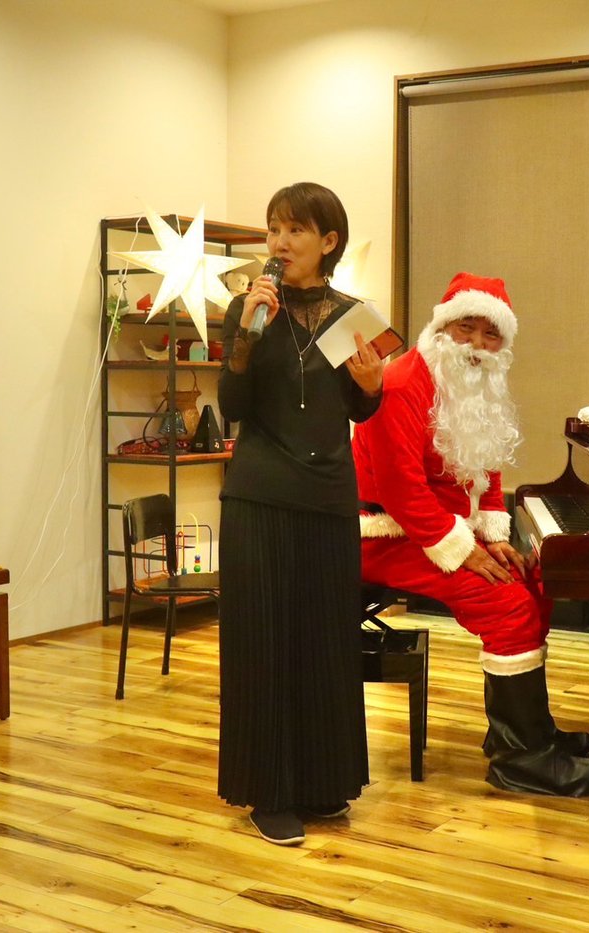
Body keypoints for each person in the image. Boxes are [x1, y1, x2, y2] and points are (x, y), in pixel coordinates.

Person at [352, 272, 589, 797]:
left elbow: (488, 468)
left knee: (532, 583)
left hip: (437, 531)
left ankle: (527, 731)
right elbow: (401, 490)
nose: (476, 344)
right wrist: (463, 550)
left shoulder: (477, 387)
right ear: (442, 328)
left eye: (490, 335)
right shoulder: (402, 383)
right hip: (386, 534)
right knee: (506, 603)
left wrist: (492, 535)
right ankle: (520, 762)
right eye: (465, 328)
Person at [216, 182, 385, 846]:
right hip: (259, 495)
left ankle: (321, 780)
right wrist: (246, 335)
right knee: (263, 643)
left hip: (328, 497)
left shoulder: (352, 317)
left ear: (328, 241)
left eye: (294, 230)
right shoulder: (248, 309)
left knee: (324, 642)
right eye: (273, 230)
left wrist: (371, 388)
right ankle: (270, 792)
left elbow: (358, 409)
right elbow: (232, 404)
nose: (279, 243)